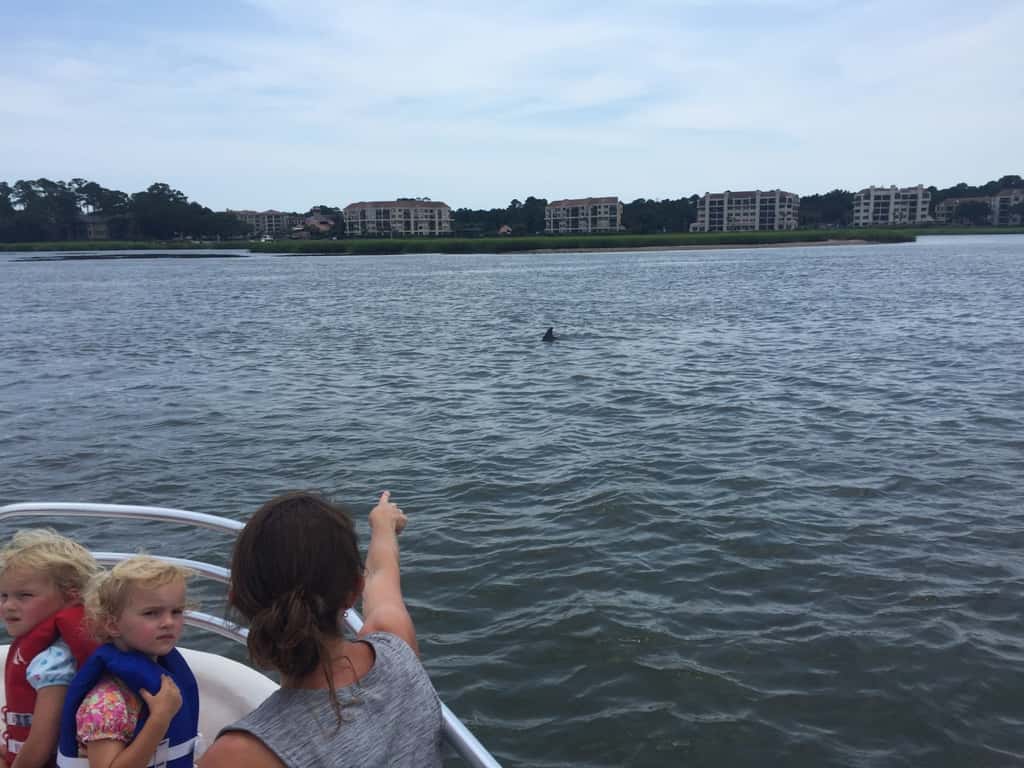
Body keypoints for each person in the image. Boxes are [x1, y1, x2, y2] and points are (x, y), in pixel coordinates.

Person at [199, 491, 443, 768]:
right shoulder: (398, 648)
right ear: (353, 591)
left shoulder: (239, 756)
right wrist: (382, 524)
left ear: (237, 599)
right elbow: (381, 573)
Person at [56, 556, 199, 768]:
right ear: (112, 625)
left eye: (176, 611)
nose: (168, 622)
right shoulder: (106, 702)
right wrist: (160, 718)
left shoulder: (164, 673)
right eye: (152, 613)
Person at [0, 529, 99, 768]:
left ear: (71, 597)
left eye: (24, 596)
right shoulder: (51, 647)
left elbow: (41, 745)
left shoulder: (54, 661)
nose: (9, 606)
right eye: (3, 596)